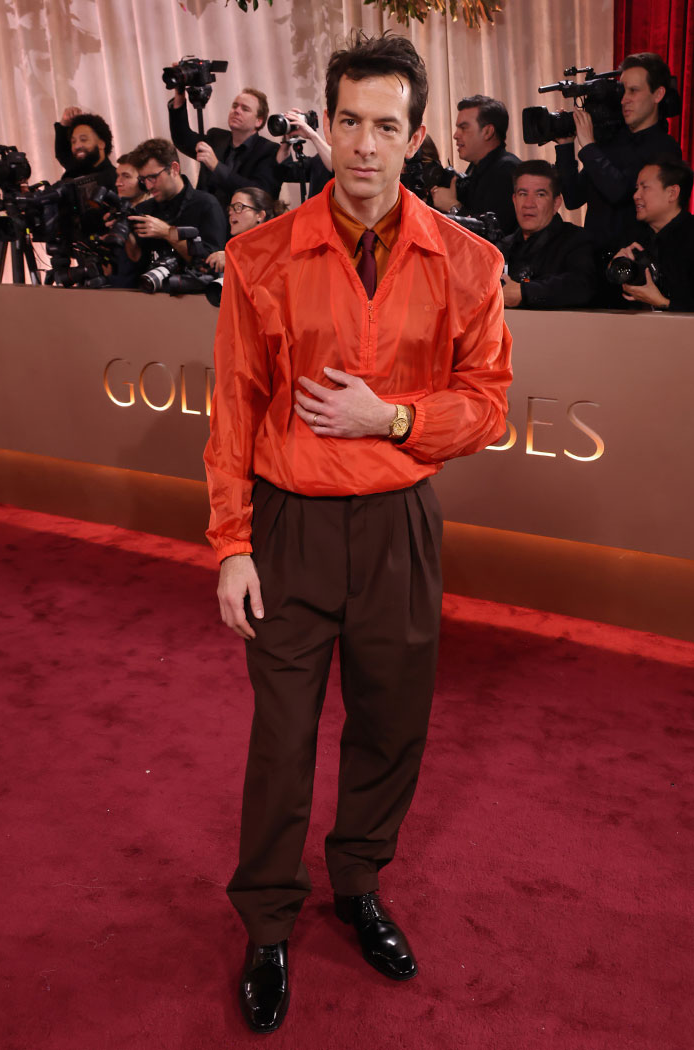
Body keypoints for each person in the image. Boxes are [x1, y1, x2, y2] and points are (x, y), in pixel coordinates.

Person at [204, 31, 512, 1035]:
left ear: (416, 136)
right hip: (287, 528)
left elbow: (488, 405)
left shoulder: (468, 261)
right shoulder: (258, 258)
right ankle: (265, 926)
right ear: (325, 126)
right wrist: (232, 545)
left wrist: (393, 418)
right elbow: (232, 412)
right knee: (281, 742)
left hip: (398, 526)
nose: (365, 144)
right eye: (349, 121)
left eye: (387, 125)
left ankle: (358, 883)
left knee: (390, 725)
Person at [554, 53, 682, 254]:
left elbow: (619, 192)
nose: (624, 100)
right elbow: (572, 198)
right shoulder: (610, 141)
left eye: (634, 91)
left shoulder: (665, 148)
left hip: (633, 263)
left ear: (657, 95)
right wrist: (565, 146)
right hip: (593, 263)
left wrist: (588, 146)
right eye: (623, 91)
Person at [122, 138, 227, 280]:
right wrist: (124, 233)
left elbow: (209, 265)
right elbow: (136, 262)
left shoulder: (206, 204)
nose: (148, 186)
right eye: (143, 179)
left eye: (153, 177)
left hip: (195, 296)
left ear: (174, 169)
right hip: (150, 294)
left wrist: (167, 233)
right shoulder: (144, 209)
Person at [499, 160, 597, 309]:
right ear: (514, 200)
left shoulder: (576, 240)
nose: (528, 203)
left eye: (540, 194)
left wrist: (525, 292)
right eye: (523, 194)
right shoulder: (502, 247)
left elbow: (581, 286)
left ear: (556, 203)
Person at [168, 82, 281, 207]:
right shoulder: (216, 137)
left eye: (245, 109)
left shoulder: (269, 150)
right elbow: (183, 139)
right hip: (205, 218)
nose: (237, 111)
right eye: (235, 106)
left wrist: (216, 167)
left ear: (258, 121)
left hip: (242, 222)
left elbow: (260, 194)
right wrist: (179, 97)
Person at [610, 156, 694, 312]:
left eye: (645, 187)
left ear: (672, 193)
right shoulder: (634, 238)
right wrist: (616, 270)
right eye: (636, 188)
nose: (636, 195)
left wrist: (663, 303)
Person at [430, 95, 521, 234]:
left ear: (487, 132)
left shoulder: (506, 170)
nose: (456, 135)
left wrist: (452, 206)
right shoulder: (476, 167)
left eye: (463, 128)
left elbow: (495, 236)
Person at [205, 187, 286, 273]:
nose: (231, 212)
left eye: (238, 207)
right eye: (230, 208)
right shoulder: (236, 248)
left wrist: (233, 259)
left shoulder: (276, 247)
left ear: (260, 215)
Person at [274, 109, 333, 198]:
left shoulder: (353, 159)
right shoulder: (319, 160)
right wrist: (287, 137)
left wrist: (312, 135)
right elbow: (285, 172)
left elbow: (337, 168)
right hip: (314, 211)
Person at [53, 107, 116, 189]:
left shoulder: (116, 180)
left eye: (83, 140)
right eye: (73, 142)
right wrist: (64, 124)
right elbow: (63, 154)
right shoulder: (74, 172)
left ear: (101, 144)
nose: (77, 146)